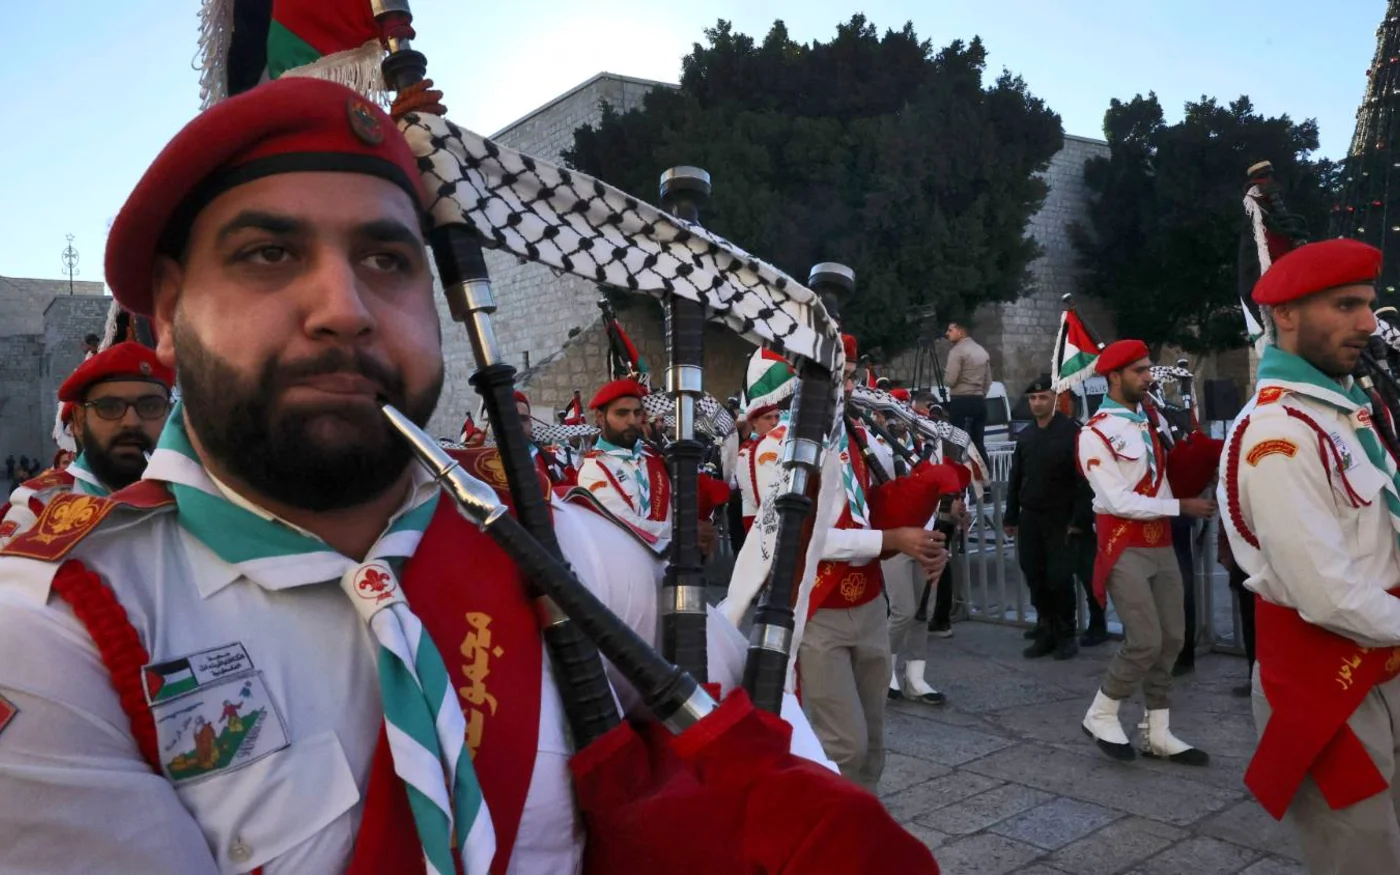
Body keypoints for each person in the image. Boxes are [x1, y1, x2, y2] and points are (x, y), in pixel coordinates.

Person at [0, 78, 908, 875]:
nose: (343, 309)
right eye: (269, 253)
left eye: (386, 261)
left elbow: (752, 739)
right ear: (166, 310)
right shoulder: (52, 630)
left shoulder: (572, 555)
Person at [1219, 238, 1400, 873]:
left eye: (1369, 305)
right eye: (1346, 305)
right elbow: (1326, 593)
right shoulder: (1281, 434)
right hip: (1327, 675)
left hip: (1381, 653)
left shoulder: (1341, 414)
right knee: (1362, 856)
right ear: (1287, 315)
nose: (1367, 324)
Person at [797, 334, 949, 790]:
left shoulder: (863, 438)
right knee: (844, 745)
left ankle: (866, 834)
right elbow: (808, 539)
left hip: (867, 603)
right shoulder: (786, 446)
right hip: (820, 609)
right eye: (832, 377)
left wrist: (922, 539)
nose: (843, 388)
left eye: (848, 377)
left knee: (875, 743)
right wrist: (891, 538)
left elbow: (883, 505)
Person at [1077, 339, 1214, 765]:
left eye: (1148, 368)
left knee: (1173, 636)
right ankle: (1102, 711)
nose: (1148, 377)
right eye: (1138, 371)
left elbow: (1166, 477)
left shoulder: (1151, 422)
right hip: (1124, 542)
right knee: (1144, 640)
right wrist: (1180, 506)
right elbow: (1116, 500)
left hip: (1159, 539)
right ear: (1114, 377)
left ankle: (1158, 731)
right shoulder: (1094, 433)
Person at [0, 342, 174, 548]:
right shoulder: (37, 511)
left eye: (150, 406)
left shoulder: (189, 500)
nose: (132, 421)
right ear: (80, 420)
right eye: (109, 407)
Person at [1004, 374, 1100, 659]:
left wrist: (1079, 520)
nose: (1037, 403)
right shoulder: (1027, 435)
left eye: (1043, 397)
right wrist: (1011, 516)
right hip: (1031, 517)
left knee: (1060, 578)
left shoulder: (1073, 432)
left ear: (1055, 399)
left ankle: (1066, 635)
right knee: (1035, 575)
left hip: (1061, 518)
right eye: (1032, 398)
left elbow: (1085, 481)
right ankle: (1045, 631)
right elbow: (1016, 478)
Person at [576, 378, 673, 548]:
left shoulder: (655, 456)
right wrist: (683, 532)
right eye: (622, 413)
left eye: (637, 413)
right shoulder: (593, 468)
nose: (632, 421)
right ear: (600, 417)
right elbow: (623, 524)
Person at [736, 348, 795, 532]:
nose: (774, 422)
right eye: (767, 418)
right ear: (753, 422)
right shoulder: (746, 453)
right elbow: (766, 498)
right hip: (761, 531)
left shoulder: (779, 444)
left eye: (777, 417)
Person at [943, 320, 992, 457]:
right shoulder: (982, 351)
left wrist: (946, 375)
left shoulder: (957, 351)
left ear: (960, 332)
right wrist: (979, 394)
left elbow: (950, 380)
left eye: (950, 330)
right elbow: (988, 381)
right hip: (979, 402)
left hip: (961, 402)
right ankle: (985, 475)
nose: (947, 334)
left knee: (957, 445)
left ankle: (959, 474)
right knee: (979, 444)